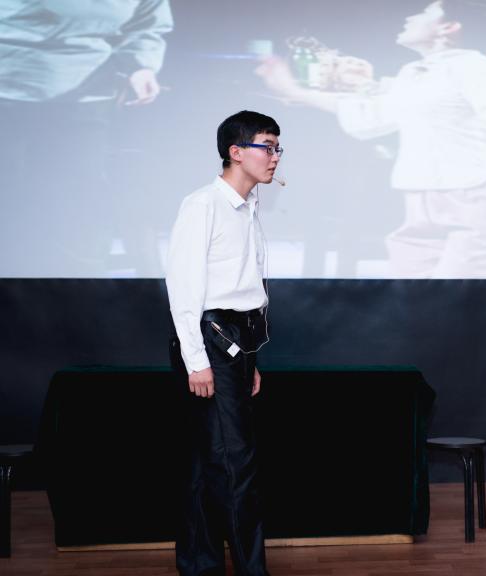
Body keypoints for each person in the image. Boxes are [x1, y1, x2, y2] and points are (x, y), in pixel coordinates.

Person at [256, 0, 486, 278]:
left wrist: (474, 134)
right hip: (423, 202)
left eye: (424, 13)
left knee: (470, 294)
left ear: (448, 28)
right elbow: (370, 115)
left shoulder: (476, 67)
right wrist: (294, 90)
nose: (411, 17)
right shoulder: (415, 73)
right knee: (416, 293)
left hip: (482, 197)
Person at [166, 110, 282, 576]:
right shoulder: (203, 205)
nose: (275, 157)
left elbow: (244, 289)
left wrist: (250, 361)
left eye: (277, 148)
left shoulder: (249, 206)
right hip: (211, 341)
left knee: (209, 460)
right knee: (236, 464)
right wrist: (197, 360)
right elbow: (183, 287)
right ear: (236, 152)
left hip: (237, 341)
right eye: (266, 146)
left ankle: (199, 565)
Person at [0, 0, 173, 275]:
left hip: (86, 95)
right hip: (10, 86)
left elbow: (147, 19)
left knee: (75, 205)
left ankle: (77, 287)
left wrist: (140, 65)